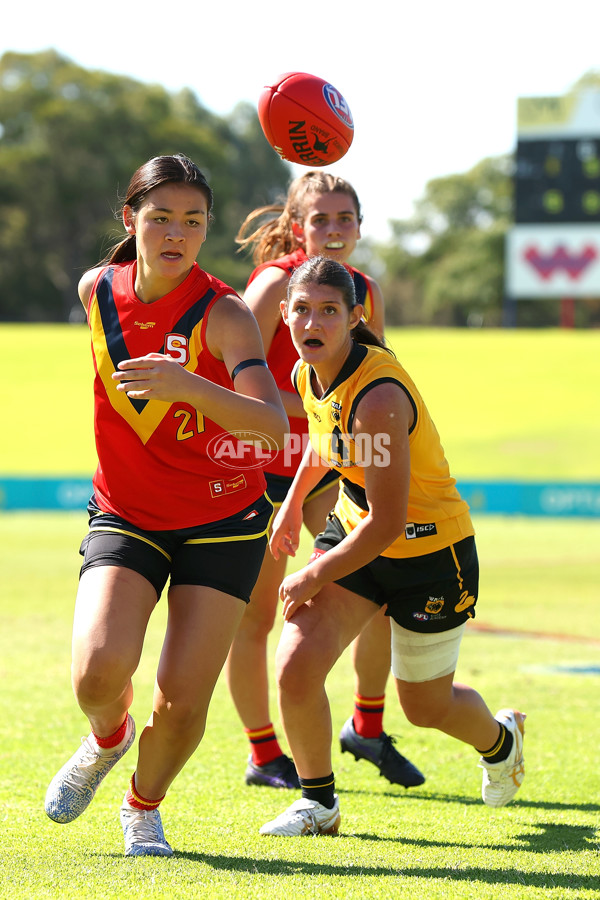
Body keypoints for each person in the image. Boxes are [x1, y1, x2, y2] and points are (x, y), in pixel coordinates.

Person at [44, 153, 288, 857]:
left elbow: (271, 427)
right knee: (96, 672)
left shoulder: (227, 312)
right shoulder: (97, 290)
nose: (176, 234)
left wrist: (191, 388)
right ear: (131, 220)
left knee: (182, 705)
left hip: (223, 524)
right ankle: (106, 741)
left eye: (193, 221)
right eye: (161, 218)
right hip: (127, 512)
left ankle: (142, 807)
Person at [259, 256, 526, 836]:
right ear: (285, 316)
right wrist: (288, 507)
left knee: (425, 708)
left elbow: (388, 524)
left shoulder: (379, 396)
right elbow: (323, 442)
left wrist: (312, 574)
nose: (314, 321)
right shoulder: (310, 373)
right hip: (357, 533)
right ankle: (319, 804)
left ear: (355, 318)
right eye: (302, 309)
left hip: (431, 556)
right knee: (296, 667)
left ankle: (502, 743)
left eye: (330, 310)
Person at [226, 172, 424, 791]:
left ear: (360, 227)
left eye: (345, 219)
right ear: (296, 226)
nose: (333, 232)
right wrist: (315, 403)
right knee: (259, 613)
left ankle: (366, 726)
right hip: (263, 471)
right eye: (321, 220)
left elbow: (375, 373)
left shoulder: (364, 291)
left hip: (332, 467)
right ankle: (264, 754)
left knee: (379, 598)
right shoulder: (270, 286)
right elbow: (236, 378)